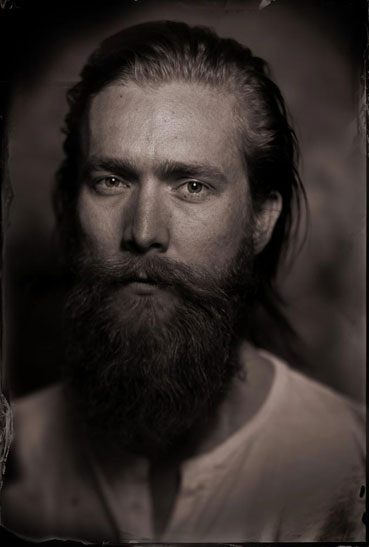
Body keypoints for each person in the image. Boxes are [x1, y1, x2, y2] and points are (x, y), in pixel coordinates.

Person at [1, 21, 365, 543]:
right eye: (111, 180)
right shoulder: (14, 458)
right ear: (72, 204)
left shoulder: (348, 466)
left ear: (261, 219)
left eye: (192, 185)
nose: (144, 231)